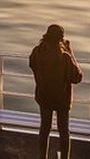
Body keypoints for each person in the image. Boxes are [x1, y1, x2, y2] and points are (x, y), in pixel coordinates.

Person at [29, 24, 83, 159]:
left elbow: (32, 65)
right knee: (64, 131)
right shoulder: (64, 57)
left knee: (44, 129)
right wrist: (71, 53)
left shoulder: (37, 52)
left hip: (44, 96)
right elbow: (77, 77)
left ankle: (43, 156)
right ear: (61, 39)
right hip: (62, 100)